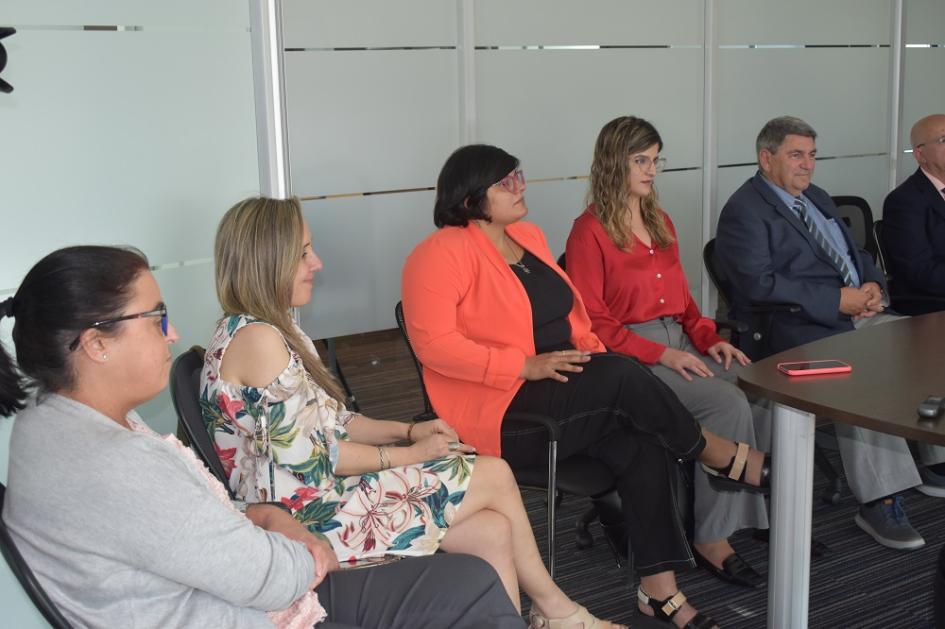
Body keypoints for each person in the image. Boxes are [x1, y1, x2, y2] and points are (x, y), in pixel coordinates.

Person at [0, 246, 524, 629]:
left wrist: (262, 518)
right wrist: (303, 543)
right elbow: (271, 578)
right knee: (471, 579)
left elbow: (188, 527)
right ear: (96, 344)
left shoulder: (49, 423)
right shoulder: (115, 466)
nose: (174, 334)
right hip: (259, 602)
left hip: (239, 578)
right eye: (157, 319)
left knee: (478, 553)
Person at [402, 144, 776, 629]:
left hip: (567, 390)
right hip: (504, 413)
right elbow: (436, 346)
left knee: (640, 440)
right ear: (471, 196)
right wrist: (522, 365)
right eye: (506, 181)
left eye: (520, 175)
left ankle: (659, 594)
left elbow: (573, 317)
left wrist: (589, 355)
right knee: (622, 374)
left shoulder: (527, 236)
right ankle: (716, 453)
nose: (521, 187)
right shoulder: (438, 254)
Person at [202, 197, 620, 629]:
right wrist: (412, 454)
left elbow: (335, 422)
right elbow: (317, 459)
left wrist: (409, 429)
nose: (317, 263)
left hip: (320, 496)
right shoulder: (259, 341)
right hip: (309, 519)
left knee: (492, 529)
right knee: (494, 474)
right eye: (303, 253)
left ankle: (528, 618)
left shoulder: (266, 330)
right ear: (268, 259)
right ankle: (557, 611)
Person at [715, 115, 945, 551]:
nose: (808, 165)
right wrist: (838, 301)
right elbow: (757, 285)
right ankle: (880, 499)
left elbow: (855, 251)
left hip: (854, 313)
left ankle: (936, 457)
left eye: (812, 155)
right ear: (767, 158)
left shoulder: (813, 196)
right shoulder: (745, 210)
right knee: (867, 375)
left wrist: (873, 282)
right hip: (796, 327)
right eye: (796, 155)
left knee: (927, 345)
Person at [565, 116, 768, 589]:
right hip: (630, 356)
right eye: (641, 160)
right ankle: (712, 536)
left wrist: (707, 337)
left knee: (761, 386)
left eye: (656, 160)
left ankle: (748, 511)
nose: (651, 170)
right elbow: (594, 323)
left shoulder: (660, 219)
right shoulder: (588, 231)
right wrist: (661, 354)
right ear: (615, 162)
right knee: (725, 401)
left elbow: (686, 301)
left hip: (677, 340)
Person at [882, 113, 945, 314]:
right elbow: (920, 273)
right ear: (920, 154)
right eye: (944, 139)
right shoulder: (904, 201)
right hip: (930, 303)